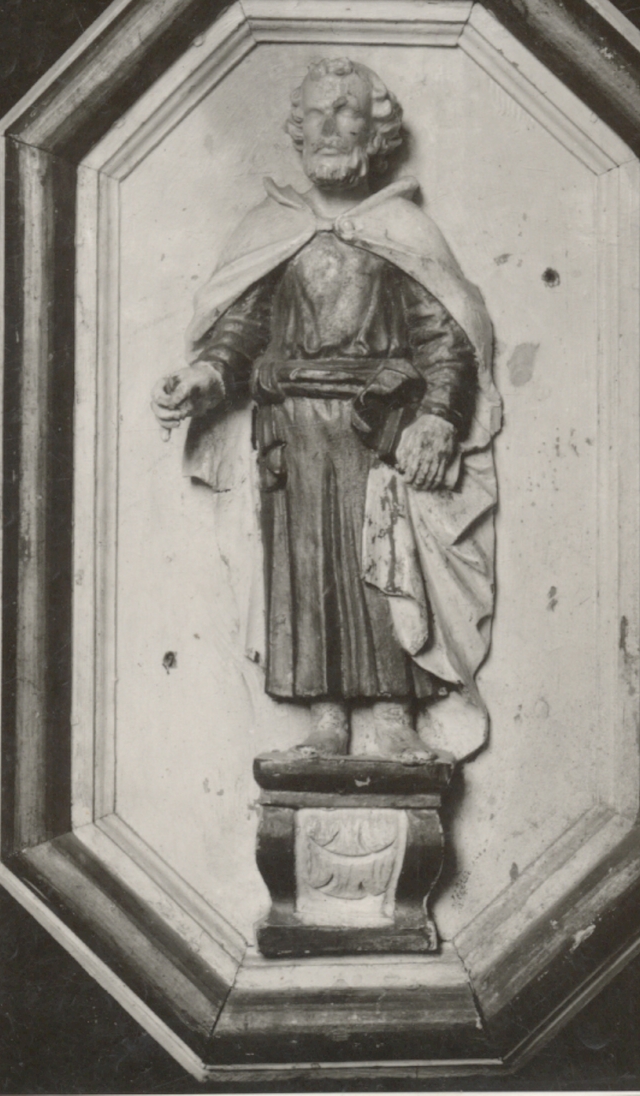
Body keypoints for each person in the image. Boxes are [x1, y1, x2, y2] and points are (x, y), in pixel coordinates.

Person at [151, 58, 501, 762]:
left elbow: (445, 337)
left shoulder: (400, 229)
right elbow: (239, 328)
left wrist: (438, 416)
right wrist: (204, 378)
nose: (330, 128)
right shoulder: (272, 229)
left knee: (387, 566)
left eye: (347, 113)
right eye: (317, 114)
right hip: (293, 435)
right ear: (298, 130)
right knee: (305, 573)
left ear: (377, 133)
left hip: (378, 432)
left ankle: (394, 717)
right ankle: (326, 720)